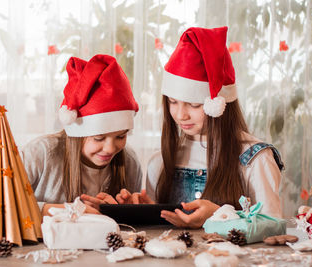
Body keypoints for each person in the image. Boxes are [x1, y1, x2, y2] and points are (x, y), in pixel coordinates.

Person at [117, 27, 284, 228]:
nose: (180, 115)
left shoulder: (255, 159)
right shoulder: (159, 162)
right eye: (172, 101)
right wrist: (148, 213)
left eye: (194, 105)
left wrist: (220, 216)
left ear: (220, 105)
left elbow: (274, 227)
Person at [21, 54, 142, 216]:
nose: (110, 148)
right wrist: (60, 211)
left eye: (120, 136)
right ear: (77, 134)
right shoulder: (40, 154)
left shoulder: (130, 162)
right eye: (98, 138)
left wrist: (123, 212)